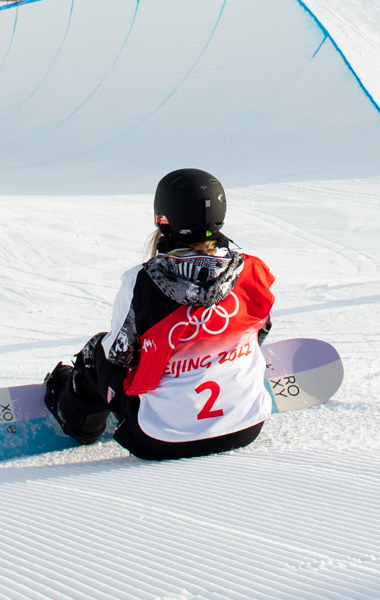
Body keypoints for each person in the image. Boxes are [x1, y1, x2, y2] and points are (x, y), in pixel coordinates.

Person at [44, 168, 277, 461]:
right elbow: (261, 330)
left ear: (163, 217)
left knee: (97, 353)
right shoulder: (252, 270)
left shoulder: (143, 280)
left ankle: (78, 421)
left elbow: (118, 354)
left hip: (159, 439)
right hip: (246, 427)